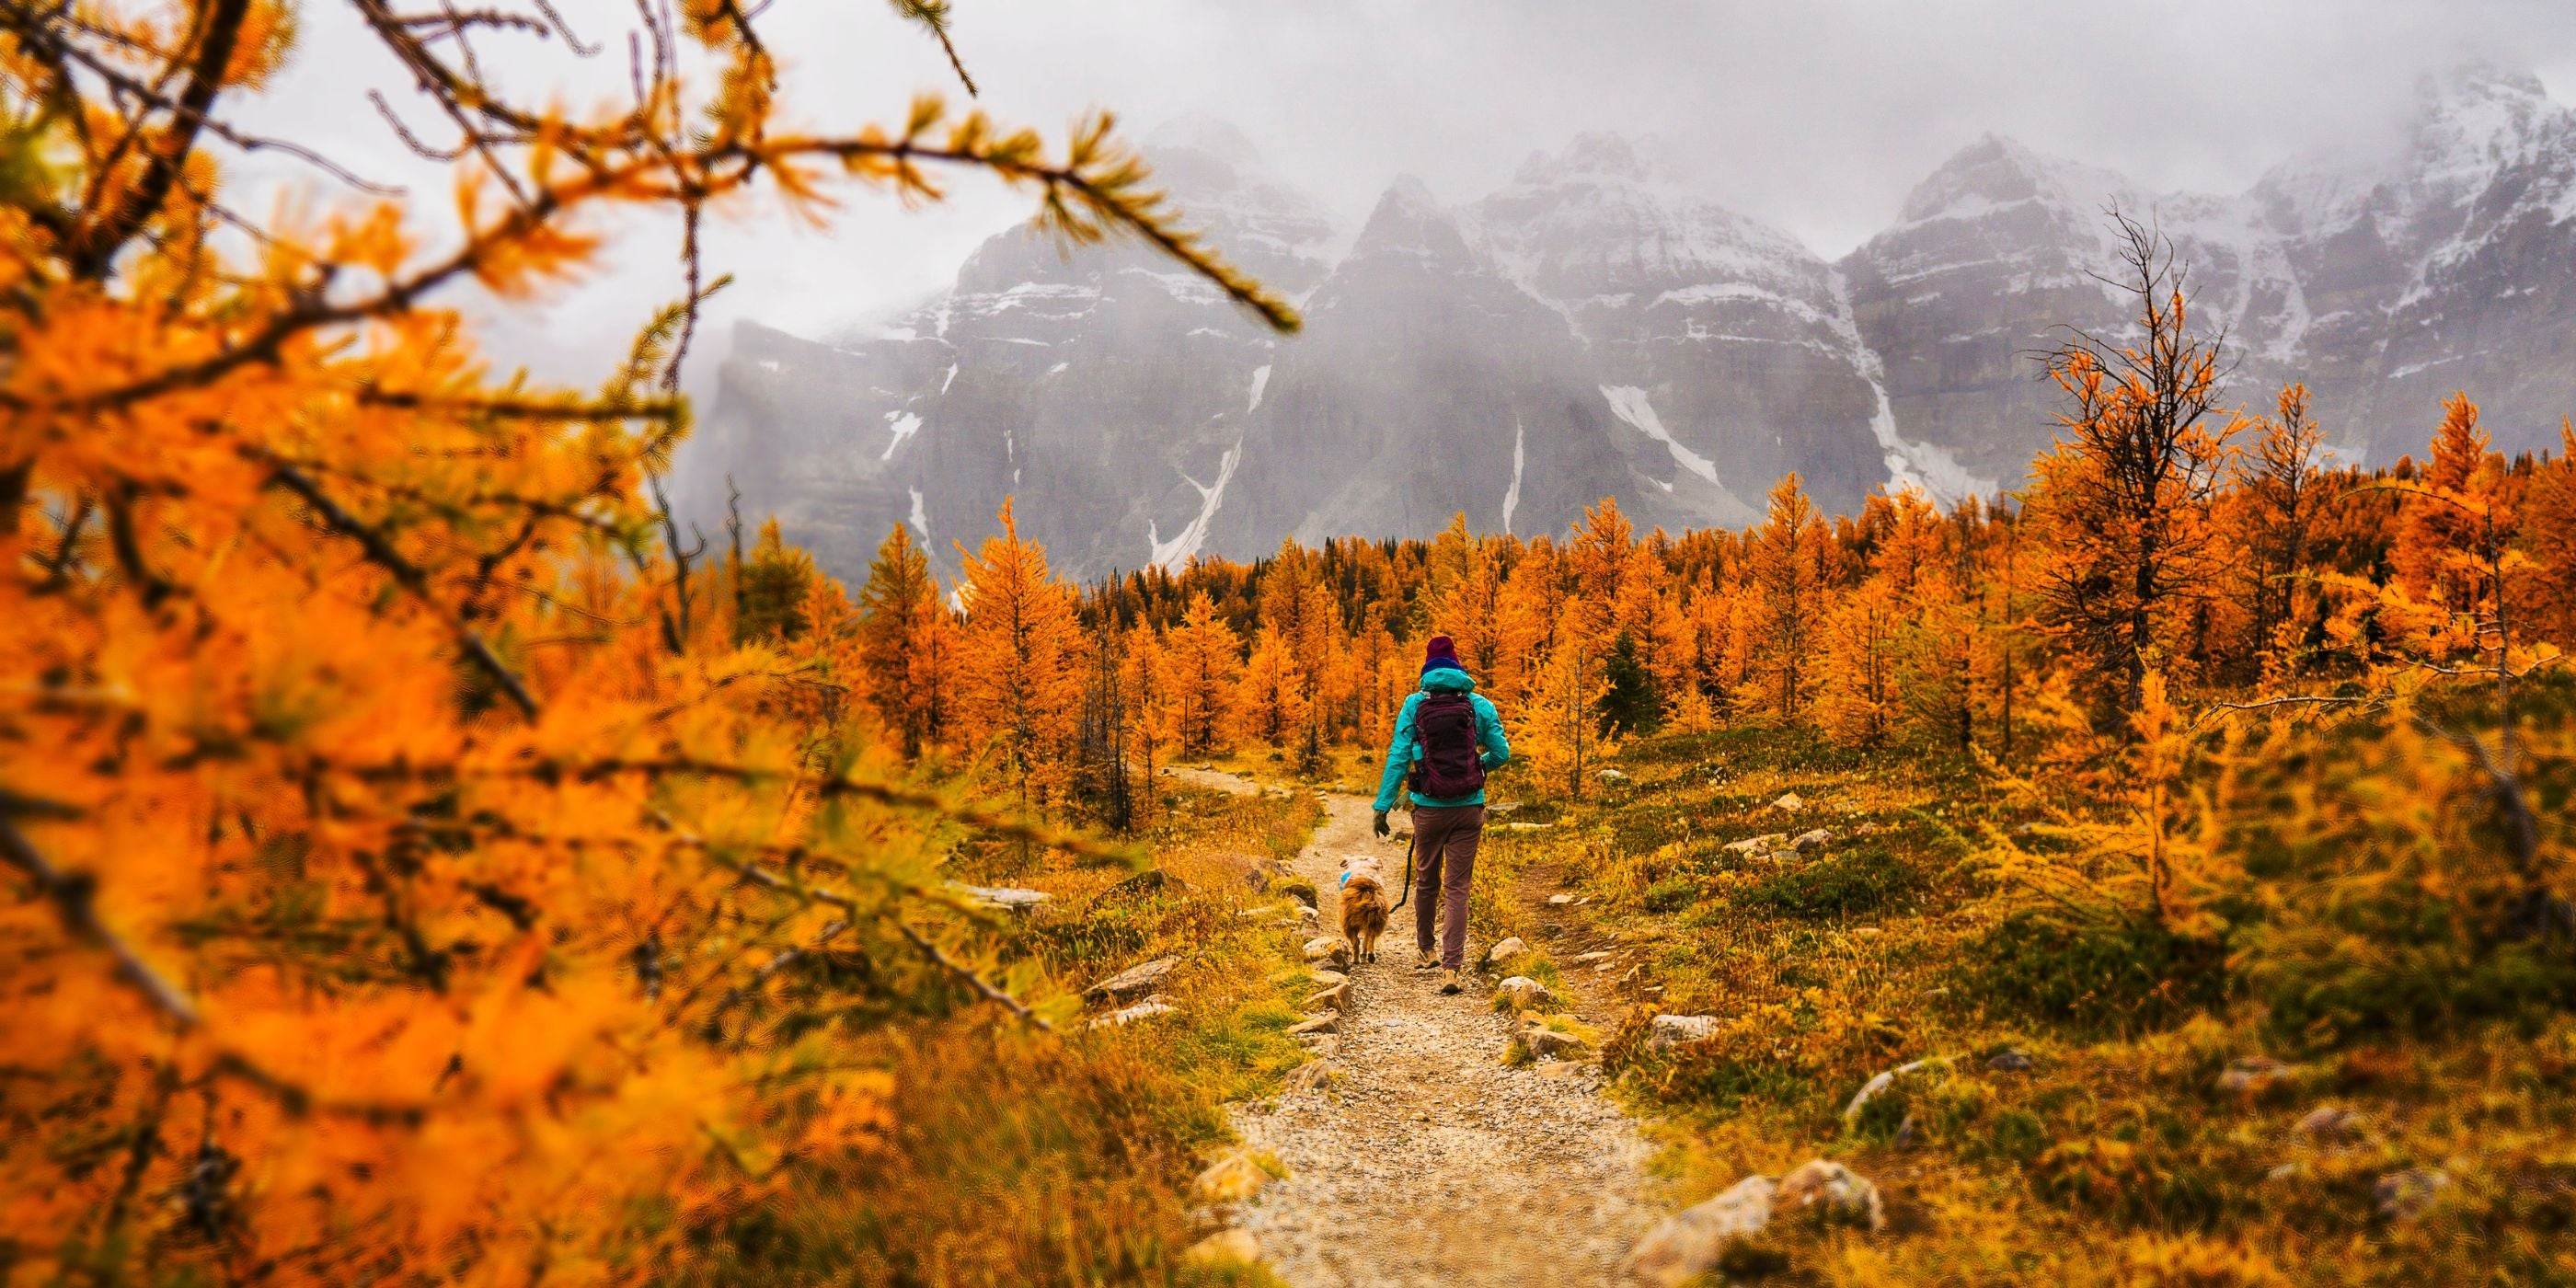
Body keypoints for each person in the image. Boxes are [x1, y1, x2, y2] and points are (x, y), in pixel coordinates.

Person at [1373, 635, 1511, 994]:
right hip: (1469, 808)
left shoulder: (1413, 705)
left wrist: (1382, 806)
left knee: (1426, 881)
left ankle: (1426, 950)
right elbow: (1502, 753)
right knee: (1458, 888)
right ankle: (1452, 969)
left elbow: (1399, 757)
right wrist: (1477, 766)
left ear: (1428, 667)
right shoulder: (1478, 705)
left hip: (1429, 810)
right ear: (1457, 665)